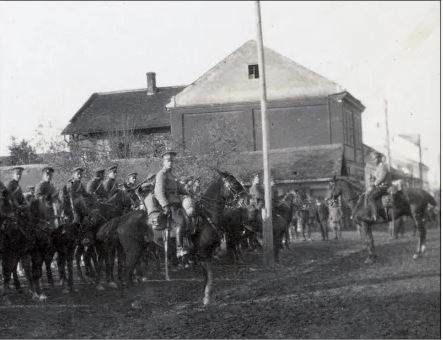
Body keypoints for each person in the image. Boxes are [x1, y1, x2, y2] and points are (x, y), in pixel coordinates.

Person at [154, 150, 189, 258]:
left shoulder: (172, 175)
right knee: (181, 221)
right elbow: (158, 192)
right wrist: (165, 205)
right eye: (168, 161)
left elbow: (180, 188)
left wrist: (188, 192)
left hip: (177, 203)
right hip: (169, 205)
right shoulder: (161, 174)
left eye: (172, 161)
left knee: (191, 218)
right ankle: (179, 248)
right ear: (163, 162)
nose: (170, 163)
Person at [366, 151, 391, 221]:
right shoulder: (378, 168)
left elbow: (381, 178)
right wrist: (372, 178)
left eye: (375, 158)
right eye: (373, 159)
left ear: (379, 158)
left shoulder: (383, 166)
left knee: (371, 198)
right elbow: (376, 177)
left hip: (384, 187)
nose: (374, 160)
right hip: (379, 187)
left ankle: (376, 215)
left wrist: (374, 184)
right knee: (367, 194)